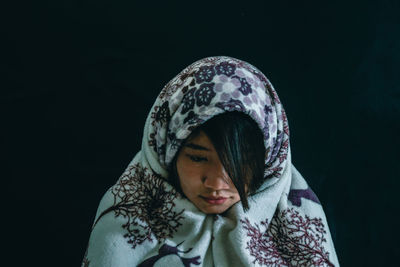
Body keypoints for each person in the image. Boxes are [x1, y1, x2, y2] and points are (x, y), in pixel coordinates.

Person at [82, 56, 339, 266]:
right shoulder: (124, 218)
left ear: (269, 160)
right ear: (165, 152)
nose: (215, 182)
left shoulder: (299, 231)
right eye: (197, 157)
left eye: (238, 161)